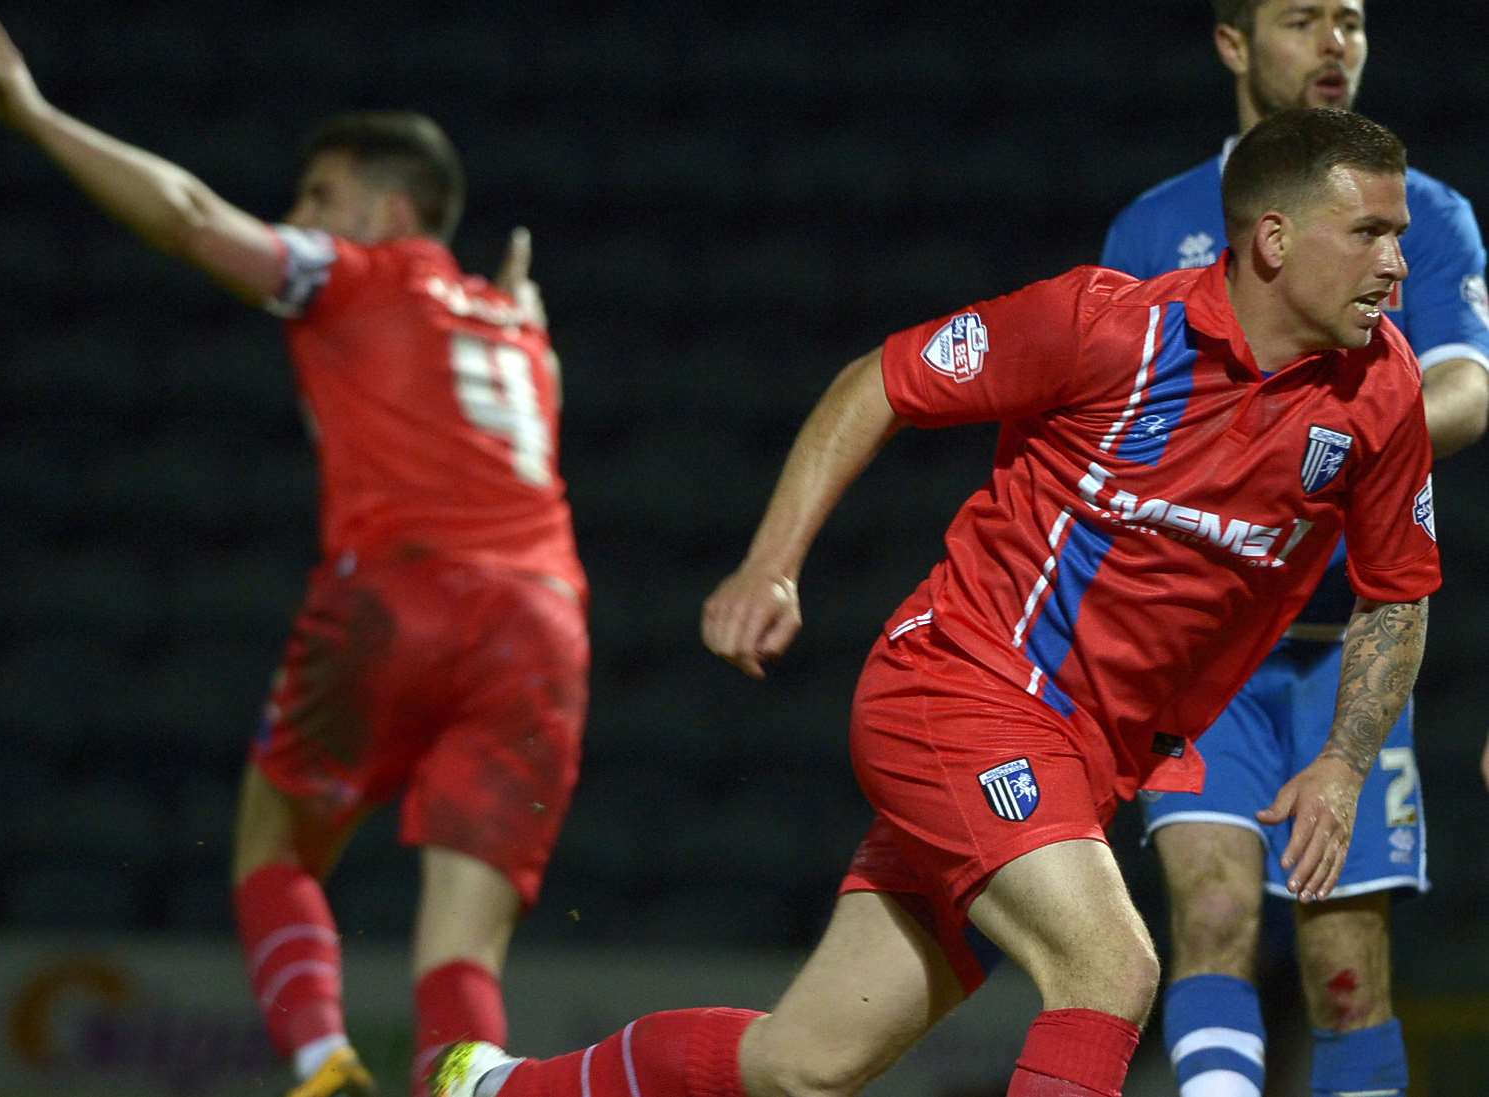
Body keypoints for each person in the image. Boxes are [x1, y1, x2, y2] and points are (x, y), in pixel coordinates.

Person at [427, 106, 1437, 1097]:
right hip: (963, 688)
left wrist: (1344, 764)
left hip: (1091, 763)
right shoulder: (1109, 328)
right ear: (1272, 237)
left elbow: (1397, 595)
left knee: (804, 1062)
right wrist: (771, 565)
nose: (1397, 262)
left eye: (1398, 233)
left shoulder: (1380, 390)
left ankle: (493, 1085)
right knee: (1110, 967)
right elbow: (881, 382)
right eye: (1370, 233)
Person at [0, 12, 589, 1097]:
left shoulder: (355, 272)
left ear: (384, 205)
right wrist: (526, 314)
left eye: (318, 194)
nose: (300, 215)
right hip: (545, 623)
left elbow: (185, 216)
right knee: (463, 942)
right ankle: (466, 1084)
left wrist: (32, 115)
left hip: (401, 590)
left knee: (273, 843)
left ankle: (322, 1066)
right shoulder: (518, 328)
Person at [1099, 4, 1489, 1094]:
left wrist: (1335, 440)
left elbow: (1469, 382)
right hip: (1201, 644)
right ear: (1233, 43)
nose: (1336, 46)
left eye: (1353, 21)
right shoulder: (1154, 228)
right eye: (1303, 20)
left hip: (1347, 639)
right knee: (1212, 907)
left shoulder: (1425, 216)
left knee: (1345, 965)